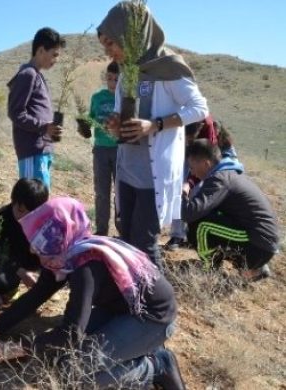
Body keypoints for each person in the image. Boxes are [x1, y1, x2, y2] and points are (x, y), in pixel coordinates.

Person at [0, 197, 184, 389]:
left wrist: (18, 346)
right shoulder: (65, 255)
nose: (34, 251)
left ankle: (155, 366)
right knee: (57, 356)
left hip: (152, 318)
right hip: (121, 308)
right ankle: (135, 348)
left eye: (42, 241)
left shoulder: (85, 266)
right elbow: (35, 297)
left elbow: (71, 333)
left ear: (60, 236)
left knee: (74, 374)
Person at [98, 1, 209, 267]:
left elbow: (199, 108)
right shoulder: (127, 71)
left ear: (130, 34)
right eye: (105, 46)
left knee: (146, 244)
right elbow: (119, 111)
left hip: (152, 175)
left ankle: (158, 306)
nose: (109, 52)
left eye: (112, 43)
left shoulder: (168, 68)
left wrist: (155, 125)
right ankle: (131, 300)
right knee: (126, 237)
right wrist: (115, 124)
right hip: (127, 169)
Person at [181, 140, 279, 280]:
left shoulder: (219, 179)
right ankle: (254, 269)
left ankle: (210, 271)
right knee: (207, 218)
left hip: (258, 245)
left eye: (192, 167)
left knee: (201, 225)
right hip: (263, 243)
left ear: (206, 163)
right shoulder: (229, 173)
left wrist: (183, 193)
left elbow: (188, 214)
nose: (192, 173)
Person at [7, 27, 65, 190]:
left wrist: (50, 130)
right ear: (40, 50)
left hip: (41, 150)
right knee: (34, 206)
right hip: (32, 151)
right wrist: (44, 127)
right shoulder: (28, 74)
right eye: (54, 54)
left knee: (41, 203)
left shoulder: (37, 75)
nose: (56, 60)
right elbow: (15, 113)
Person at [165, 115, 218, 251]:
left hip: (204, 155)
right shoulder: (176, 117)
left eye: (190, 139)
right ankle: (178, 235)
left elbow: (206, 163)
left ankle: (195, 233)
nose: (188, 141)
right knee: (178, 189)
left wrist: (190, 183)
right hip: (180, 153)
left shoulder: (207, 126)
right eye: (186, 139)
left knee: (198, 191)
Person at [0, 178, 48, 300]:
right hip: (13, 261)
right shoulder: (2, 217)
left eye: (31, 214)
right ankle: (10, 290)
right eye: (20, 210)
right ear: (13, 200)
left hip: (37, 259)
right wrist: (20, 271)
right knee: (2, 282)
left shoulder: (47, 221)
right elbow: (0, 252)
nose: (24, 217)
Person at [89, 61, 120, 236]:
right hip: (100, 149)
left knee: (121, 192)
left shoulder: (124, 98)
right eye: (110, 78)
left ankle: (122, 228)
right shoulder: (97, 97)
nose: (113, 83)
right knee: (101, 191)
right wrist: (85, 126)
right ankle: (101, 230)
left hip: (119, 149)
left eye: (116, 79)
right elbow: (90, 118)